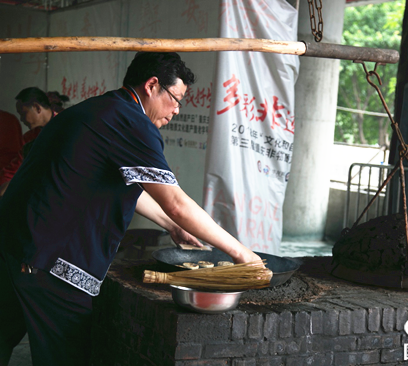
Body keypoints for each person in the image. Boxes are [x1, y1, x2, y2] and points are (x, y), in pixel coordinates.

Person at [0, 52, 262, 366]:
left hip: (13, 248)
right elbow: (176, 203)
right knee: (68, 355)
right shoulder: (130, 121)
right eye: (175, 98)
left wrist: (171, 226)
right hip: (48, 263)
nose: (176, 110)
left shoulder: (100, 109)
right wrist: (242, 253)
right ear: (152, 85)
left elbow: (126, 186)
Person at [0, 88, 61, 196]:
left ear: (37, 108)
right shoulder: (29, 138)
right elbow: (14, 168)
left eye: (23, 113)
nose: (21, 119)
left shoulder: (66, 124)